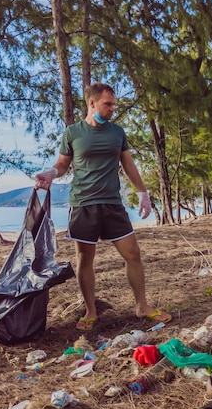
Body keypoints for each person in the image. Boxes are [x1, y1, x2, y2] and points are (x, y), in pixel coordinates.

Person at [35, 82, 172, 332]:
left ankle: (142, 306)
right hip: (83, 204)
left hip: (112, 203)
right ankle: (90, 311)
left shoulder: (117, 132)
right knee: (84, 258)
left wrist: (143, 193)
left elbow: (128, 165)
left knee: (133, 253)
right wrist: (51, 174)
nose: (112, 109)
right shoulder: (73, 133)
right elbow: (63, 165)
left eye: (113, 105)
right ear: (92, 103)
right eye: (107, 104)